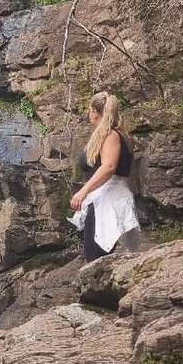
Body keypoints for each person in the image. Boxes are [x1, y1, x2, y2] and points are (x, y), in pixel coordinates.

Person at [69, 91, 142, 260]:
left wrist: (83, 191)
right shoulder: (116, 134)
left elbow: (109, 166)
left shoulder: (111, 135)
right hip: (108, 197)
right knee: (97, 256)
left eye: (89, 111)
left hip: (107, 200)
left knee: (94, 258)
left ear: (94, 112)